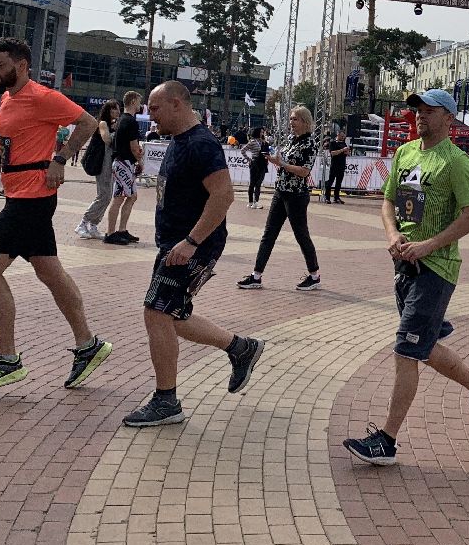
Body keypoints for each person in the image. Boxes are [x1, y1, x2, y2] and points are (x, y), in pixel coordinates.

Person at [342, 89, 469, 466]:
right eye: (417, 110)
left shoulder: (457, 163)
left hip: (437, 268)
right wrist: (393, 235)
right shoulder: (405, 153)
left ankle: (387, 441)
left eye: (429, 111)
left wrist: (427, 245)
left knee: (405, 350)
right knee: (423, 347)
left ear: (449, 118)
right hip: (405, 266)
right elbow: (388, 201)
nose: (420, 116)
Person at [0, 38, 112, 393]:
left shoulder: (42, 96)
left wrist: (61, 158)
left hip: (31, 199)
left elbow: (87, 123)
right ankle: (88, 345)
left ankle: (7, 359)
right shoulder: (8, 98)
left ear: (22, 65)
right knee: (50, 272)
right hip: (22, 195)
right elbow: (12, 142)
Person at [121, 82, 264, 427]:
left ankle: (166, 401)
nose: (149, 116)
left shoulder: (201, 143)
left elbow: (224, 195)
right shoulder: (178, 140)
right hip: (176, 244)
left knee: (156, 313)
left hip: (191, 246)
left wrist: (191, 243)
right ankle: (240, 348)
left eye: (154, 109)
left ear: (175, 105)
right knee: (172, 315)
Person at [237, 105, 321, 291]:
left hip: (296, 195)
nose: (291, 122)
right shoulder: (290, 139)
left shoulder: (310, 143)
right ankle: (256, 276)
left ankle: (314, 275)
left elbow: (304, 172)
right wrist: (276, 160)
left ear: (305, 122)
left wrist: (281, 163)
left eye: (295, 119)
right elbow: (283, 162)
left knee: (301, 235)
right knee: (268, 234)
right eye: (291, 119)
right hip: (280, 191)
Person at [104, 91, 144, 246]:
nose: (140, 105)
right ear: (133, 101)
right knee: (119, 198)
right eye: (139, 101)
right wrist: (139, 160)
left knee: (131, 196)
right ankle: (110, 233)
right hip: (124, 163)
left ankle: (121, 230)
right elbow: (134, 146)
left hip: (124, 162)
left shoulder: (121, 120)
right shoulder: (130, 121)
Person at [76, 100, 120, 239]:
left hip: (109, 164)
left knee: (107, 196)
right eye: (115, 109)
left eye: (119, 109)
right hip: (102, 163)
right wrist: (118, 132)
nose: (118, 112)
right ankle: (83, 223)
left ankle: (93, 224)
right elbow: (107, 139)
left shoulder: (112, 125)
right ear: (108, 110)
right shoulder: (102, 123)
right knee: (103, 195)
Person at [323, 126, 350, 204]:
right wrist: (342, 150)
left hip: (342, 164)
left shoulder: (344, 143)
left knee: (339, 182)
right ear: (337, 135)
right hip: (334, 164)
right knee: (331, 181)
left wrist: (347, 152)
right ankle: (327, 197)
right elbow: (333, 153)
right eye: (341, 136)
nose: (342, 138)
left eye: (343, 137)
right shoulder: (332, 143)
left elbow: (347, 153)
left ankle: (336, 197)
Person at [245, 127, 270, 209]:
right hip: (255, 163)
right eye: (261, 132)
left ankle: (256, 201)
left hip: (262, 164)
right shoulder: (252, 142)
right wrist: (249, 159)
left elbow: (268, 151)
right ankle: (251, 202)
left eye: (263, 132)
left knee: (258, 183)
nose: (262, 133)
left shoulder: (264, 142)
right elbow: (243, 150)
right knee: (252, 183)